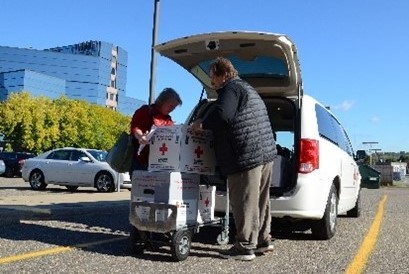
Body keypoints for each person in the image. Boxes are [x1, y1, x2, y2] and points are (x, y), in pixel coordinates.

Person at [191, 57, 277, 261]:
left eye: (213, 77)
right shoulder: (247, 88)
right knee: (261, 200)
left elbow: (223, 115)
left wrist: (202, 124)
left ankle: (245, 246)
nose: (212, 82)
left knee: (244, 200)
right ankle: (263, 240)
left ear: (222, 75)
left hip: (245, 153)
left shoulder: (231, 89)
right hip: (264, 152)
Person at [130, 88, 182, 176]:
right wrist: (141, 136)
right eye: (171, 105)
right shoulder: (145, 111)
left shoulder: (168, 120)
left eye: (174, 107)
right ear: (162, 101)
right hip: (141, 163)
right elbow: (135, 127)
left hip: (161, 165)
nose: (172, 109)